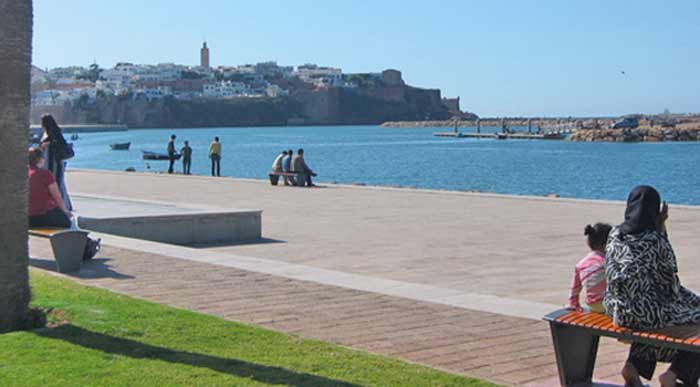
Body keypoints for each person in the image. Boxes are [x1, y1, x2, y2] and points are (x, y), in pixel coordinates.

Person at [605, 186, 700, 387]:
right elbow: (669, 279)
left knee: (652, 318)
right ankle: (675, 374)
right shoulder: (654, 238)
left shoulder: (614, 234)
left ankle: (634, 366)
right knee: (693, 317)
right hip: (646, 313)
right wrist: (661, 226)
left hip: (617, 309)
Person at [566, 223, 611, 313]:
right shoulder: (606, 262)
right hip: (608, 305)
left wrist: (573, 303)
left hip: (593, 305)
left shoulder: (580, 264)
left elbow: (575, 288)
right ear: (606, 244)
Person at [28, 148, 72, 228]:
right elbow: (57, 197)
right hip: (44, 215)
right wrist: (65, 211)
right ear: (40, 160)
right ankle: (84, 239)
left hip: (28, 219)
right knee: (68, 222)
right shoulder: (45, 174)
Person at [39, 114, 73, 211]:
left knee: (51, 184)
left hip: (50, 163)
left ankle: (55, 206)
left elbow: (45, 151)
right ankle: (63, 206)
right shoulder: (57, 134)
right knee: (58, 184)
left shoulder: (48, 136)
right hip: (58, 164)